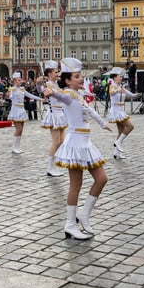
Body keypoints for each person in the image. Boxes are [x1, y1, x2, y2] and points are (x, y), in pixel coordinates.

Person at [42, 58, 111, 240]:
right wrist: (50, 91)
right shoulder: (67, 93)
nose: (81, 79)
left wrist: (104, 124)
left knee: (102, 179)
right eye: (77, 76)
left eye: (81, 76)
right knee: (76, 185)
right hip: (75, 143)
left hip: (86, 143)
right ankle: (70, 225)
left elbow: (91, 112)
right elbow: (59, 94)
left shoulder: (78, 96)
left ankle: (84, 214)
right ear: (67, 80)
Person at [38, 60, 67, 175]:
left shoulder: (56, 84)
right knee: (56, 141)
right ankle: (49, 167)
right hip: (53, 114)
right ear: (49, 74)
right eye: (56, 72)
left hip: (60, 114)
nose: (58, 74)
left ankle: (54, 166)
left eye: (58, 71)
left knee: (61, 141)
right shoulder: (48, 84)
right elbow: (42, 91)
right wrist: (38, 84)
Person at [6, 72, 43, 155]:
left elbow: (30, 95)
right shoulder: (12, 89)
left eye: (20, 80)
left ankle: (17, 147)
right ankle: (14, 147)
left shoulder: (22, 89)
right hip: (16, 109)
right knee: (18, 129)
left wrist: (40, 99)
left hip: (21, 109)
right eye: (19, 80)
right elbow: (9, 96)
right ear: (14, 81)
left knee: (21, 130)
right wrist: (10, 92)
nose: (20, 81)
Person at [107, 67, 137, 160]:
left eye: (122, 77)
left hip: (121, 110)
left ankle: (117, 152)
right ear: (115, 77)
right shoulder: (112, 86)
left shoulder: (120, 87)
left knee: (121, 131)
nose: (121, 78)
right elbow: (111, 93)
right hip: (116, 111)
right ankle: (118, 142)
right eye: (120, 77)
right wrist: (117, 90)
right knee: (130, 126)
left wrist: (135, 95)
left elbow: (127, 93)